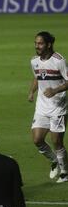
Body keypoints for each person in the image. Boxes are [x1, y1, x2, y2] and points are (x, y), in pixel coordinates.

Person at [28, 31, 68, 183]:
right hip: (42, 107)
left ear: (49, 44)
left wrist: (55, 90)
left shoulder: (59, 61)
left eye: (40, 43)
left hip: (58, 107)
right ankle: (54, 161)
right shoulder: (34, 61)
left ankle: (65, 172)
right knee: (37, 140)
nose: (37, 46)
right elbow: (37, 77)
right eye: (36, 43)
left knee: (57, 142)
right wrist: (31, 92)